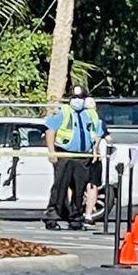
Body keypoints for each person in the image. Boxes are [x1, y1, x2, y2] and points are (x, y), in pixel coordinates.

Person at [42, 86, 104, 230]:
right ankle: (51, 217)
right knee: (60, 187)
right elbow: (50, 131)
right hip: (64, 155)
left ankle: (75, 218)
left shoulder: (90, 114)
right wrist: (52, 152)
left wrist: (95, 150)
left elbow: (96, 134)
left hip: (82, 157)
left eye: (80, 98)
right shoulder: (63, 112)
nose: (77, 101)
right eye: (75, 98)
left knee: (79, 189)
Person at [83, 97, 113, 227]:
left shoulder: (78, 119)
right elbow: (109, 139)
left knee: (73, 185)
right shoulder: (98, 121)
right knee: (92, 186)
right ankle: (88, 215)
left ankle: (75, 212)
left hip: (78, 155)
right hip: (95, 157)